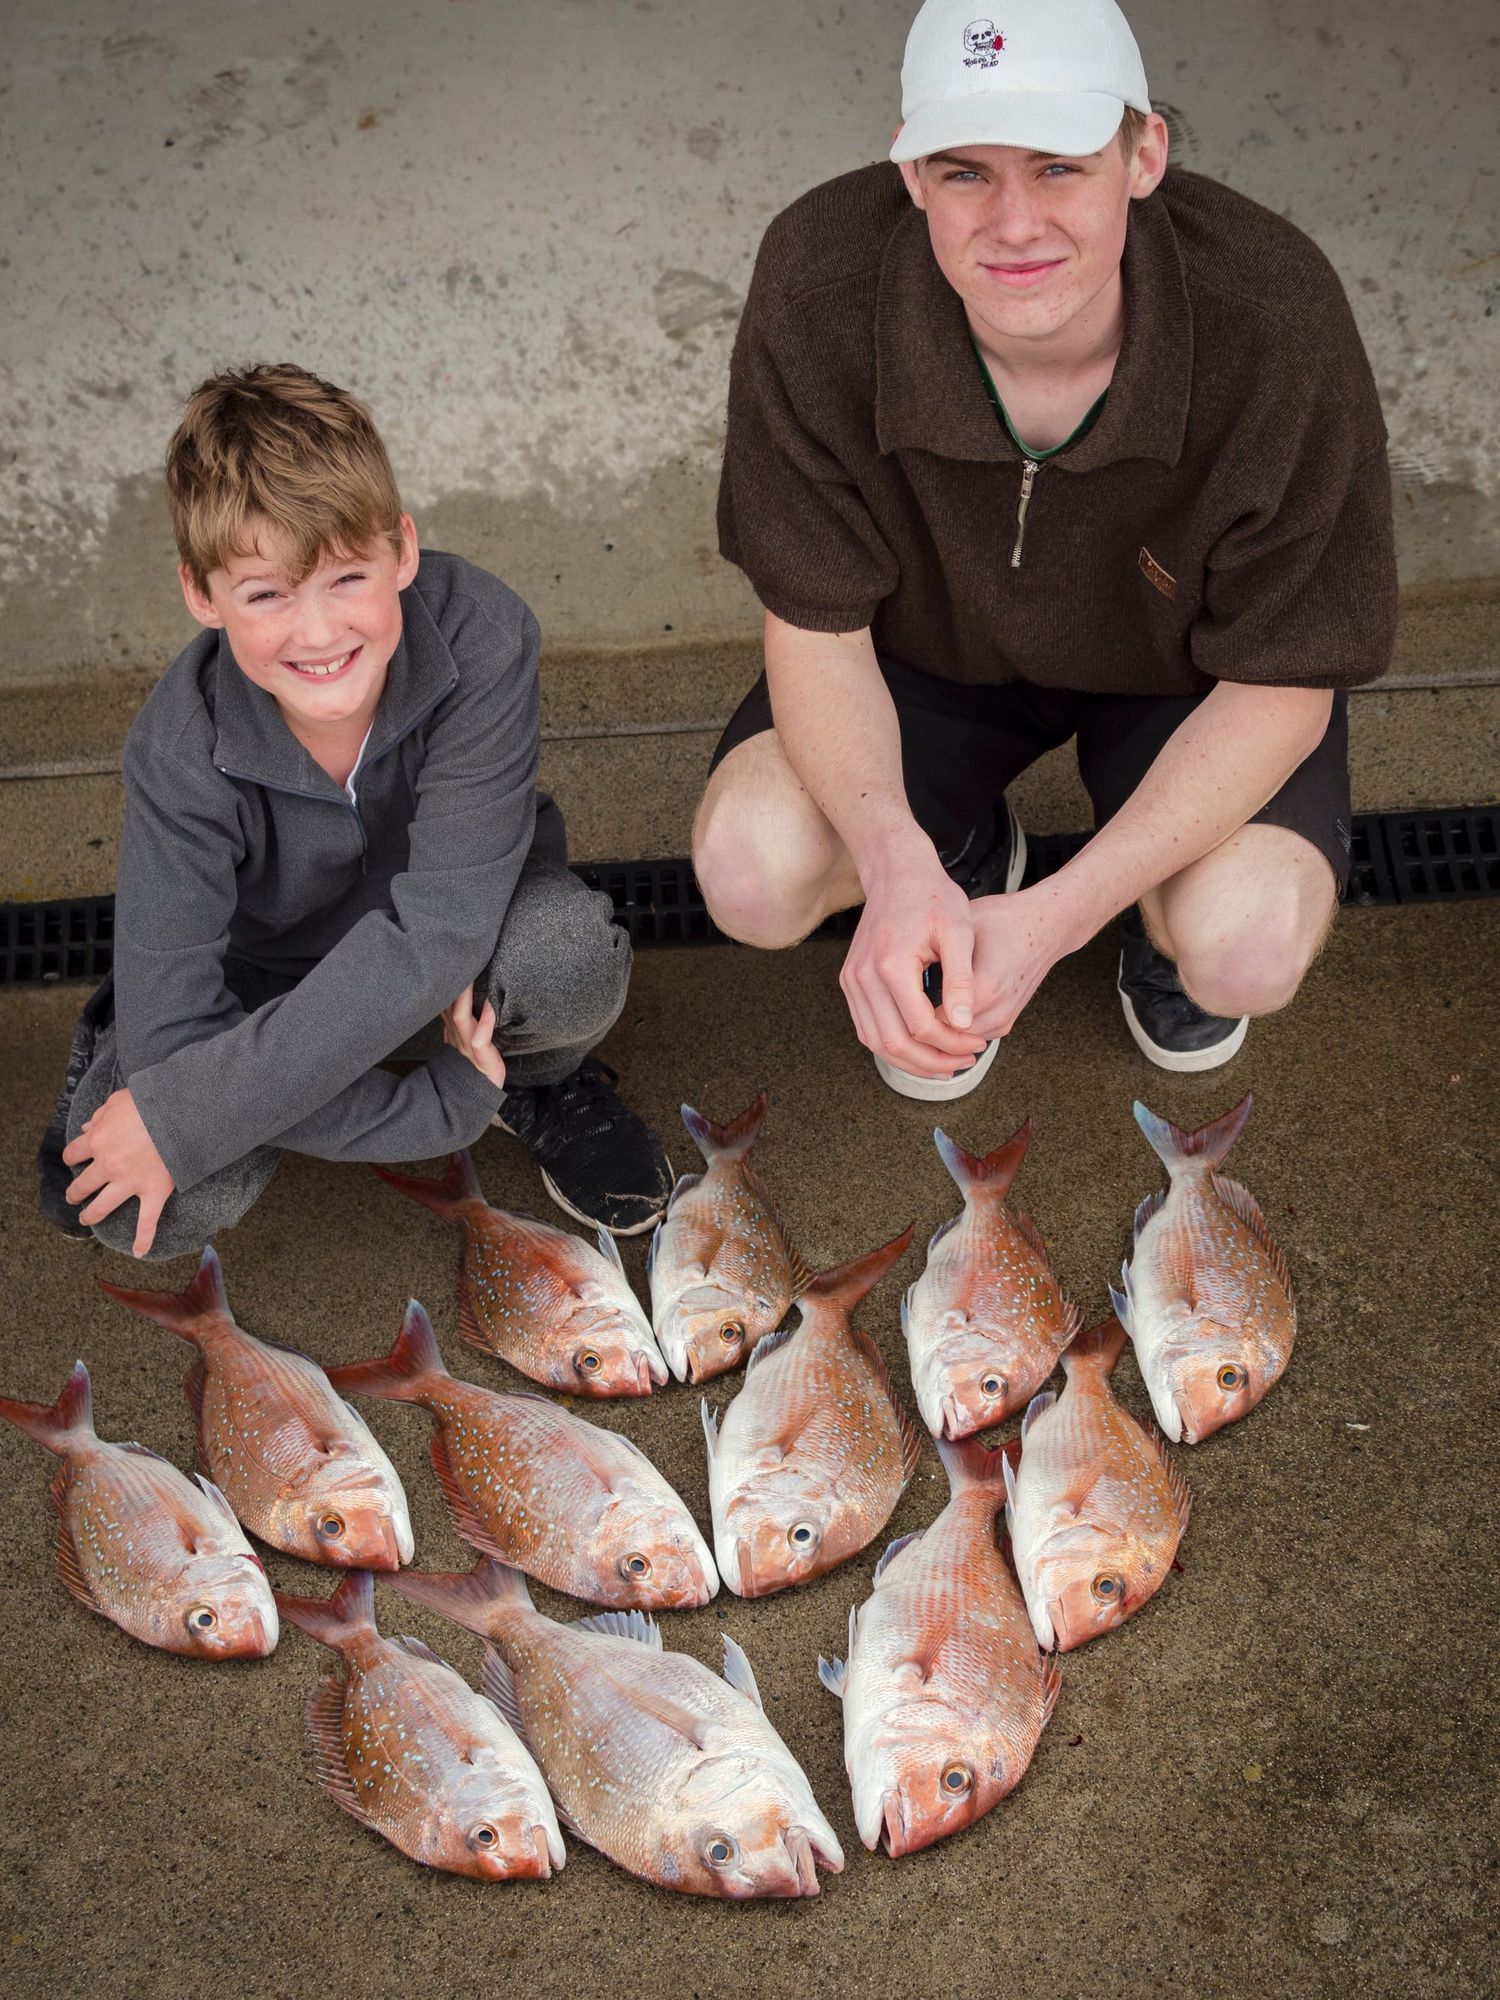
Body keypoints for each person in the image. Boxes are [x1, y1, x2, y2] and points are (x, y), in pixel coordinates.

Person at [694, 0, 1395, 1100]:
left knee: (1245, 946)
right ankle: (960, 864)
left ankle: (1145, 932)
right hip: (923, 652)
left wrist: (1062, 920)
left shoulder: (1276, 320)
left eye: (1060, 166)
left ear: (1143, 153)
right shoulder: (816, 283)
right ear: (909, 170)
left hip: (1187, 675)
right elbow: (817, 633)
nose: (1014, 223)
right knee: (751, 875)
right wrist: (896, 871)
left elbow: (1283, 680)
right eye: (964, 171)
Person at [36, 363, 672, 1259]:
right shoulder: (177, 748)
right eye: (265, 594)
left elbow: (441, 930)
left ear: (402, 551)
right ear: (201, 596)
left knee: (567, 961)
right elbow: (178, 1040)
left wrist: (196, 1104)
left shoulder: (482, 634)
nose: (321, 632)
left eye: (346, 578)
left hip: (461, 933)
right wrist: (430, 1109)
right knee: (148, 1205)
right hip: (269, 978)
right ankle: (134, 1043)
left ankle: (535, 1081)